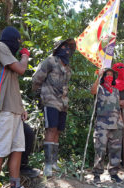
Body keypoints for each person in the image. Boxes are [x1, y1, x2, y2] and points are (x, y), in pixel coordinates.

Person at [0, 26, 39, 188]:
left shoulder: (8, 62)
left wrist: (21, 107)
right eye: (18, 42)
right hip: (2, 110)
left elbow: (12, 87)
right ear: (13, 40)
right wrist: (25, 55)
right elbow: (21, 69)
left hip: (14, 110)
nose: (19, 46)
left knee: (18, 149)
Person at [32, 38, 76, 177]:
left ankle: (54, 162)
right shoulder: (50, 61)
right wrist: (41, 95)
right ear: (58, 48)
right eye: (64, 46)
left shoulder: (67, 67)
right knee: (50, 129)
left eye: (69, 47)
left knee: (57, 131)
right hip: (50, 101)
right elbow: (36, 78)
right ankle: (48, 165)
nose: (67, 49)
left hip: (63, 103)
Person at [90, 68, 123, 183]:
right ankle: (97, 174)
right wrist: (98, 77)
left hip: (116, 124)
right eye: (107, 74)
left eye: (111, 75)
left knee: (115, 150)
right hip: (102, 124)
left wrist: (121, 121)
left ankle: (114, 173)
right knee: (100, 149)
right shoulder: (100, 88)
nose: (109, 76)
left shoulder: (116, 91)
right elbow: (92, 91)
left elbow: (117, 107)